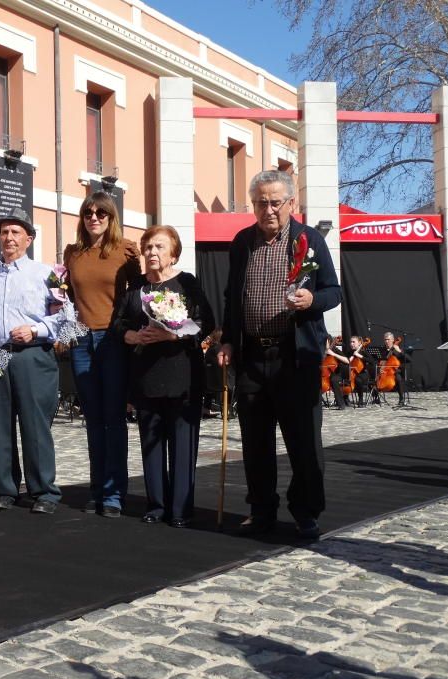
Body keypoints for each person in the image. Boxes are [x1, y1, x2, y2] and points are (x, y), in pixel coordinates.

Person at [217, 170, 341, 540]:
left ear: (291, 204)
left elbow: (333, 291)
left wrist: (312, 300)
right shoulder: (242, 242)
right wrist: (226, 341)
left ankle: (306, 512)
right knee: (255, 441)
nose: (268, 209)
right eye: (260, 202)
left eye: (275, 202)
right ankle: (261, 510)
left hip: (294, 355)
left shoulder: (309, 239)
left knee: (302, 439)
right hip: (253, 354)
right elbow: (231, 298)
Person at [112, 225, 215, 527]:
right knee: (151, 442)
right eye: (147, 247)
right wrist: (131, 336)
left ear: (173, 253)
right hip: (146, 375)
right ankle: (156, 505)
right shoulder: (136, 289)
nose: (152, 252)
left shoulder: (187, 283)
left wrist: (175, 335)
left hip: (182, 374)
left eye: (159, 247)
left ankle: (181, 508)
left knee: (183, 444)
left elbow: (205, 322)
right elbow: (117, 325)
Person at [0, 208, 63, 514]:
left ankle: (45, 493)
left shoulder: (47, 274)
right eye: (4, 232)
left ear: (29, 238)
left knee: (35, 425)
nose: (8, 238)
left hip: (32, 355)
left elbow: (68, 320)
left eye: (15, 232)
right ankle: (5, 489)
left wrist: (35, 329)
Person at [64, 192, 141, 517]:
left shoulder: (125, 251)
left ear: (111, 218)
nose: (93, 217)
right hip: (82, 342)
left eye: (101, 213)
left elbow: (139, 297)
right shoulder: (73, 253)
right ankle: (98, 490)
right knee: (93, 420)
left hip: (113, 341)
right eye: (88, 213)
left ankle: (113, 495)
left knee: (113, 419)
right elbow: (64, 298)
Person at [367, 331, 408, 406]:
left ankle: (401, 399)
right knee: (371, 377)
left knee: (398, 378)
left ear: (393, 340)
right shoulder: (381, 350)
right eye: (385, 340)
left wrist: (399, 351)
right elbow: (376, 361)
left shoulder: (397, 349)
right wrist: (379, 369)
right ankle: (376, 398)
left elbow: (408, 360)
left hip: (395, 372)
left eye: (388, 339)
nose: (386, 341)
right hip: (383, 371)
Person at [323, 335, 349, 409]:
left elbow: (347, 361)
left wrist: (333, 354)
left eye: (325, 342)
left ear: (329, 341)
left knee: (334, 380)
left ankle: (341, 404)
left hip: (336, 373)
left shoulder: (334, 350)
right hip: (323, 374)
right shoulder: (320, 350)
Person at [347, 336, 372, 406]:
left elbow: (372, 361)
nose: (351, 344)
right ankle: (345, 398)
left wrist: (359, 356)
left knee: (358, 380)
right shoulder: (349, 352)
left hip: (363, 373)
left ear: (359, 343)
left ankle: (360, 399)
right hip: (352, 373)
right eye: (350, 342)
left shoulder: (363, 352)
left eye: (353, 342)